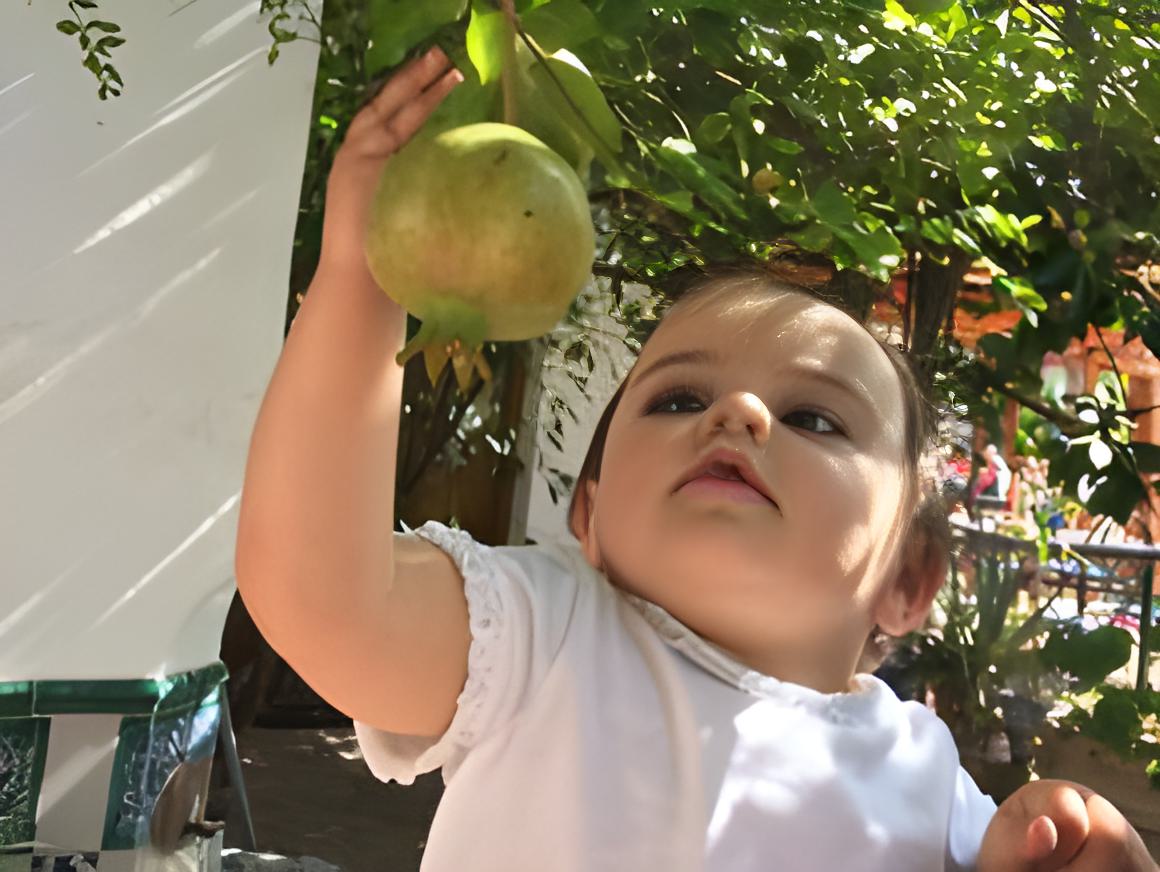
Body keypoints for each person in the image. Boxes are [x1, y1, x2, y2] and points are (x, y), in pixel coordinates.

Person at [233, 47, 1157, 872]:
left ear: (908, 579)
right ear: (587, 517)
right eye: (678, 398)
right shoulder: (542, 636)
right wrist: (363, 274)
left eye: (815, 419)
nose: (739, 412)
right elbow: (321, 595)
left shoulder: (927, 772)